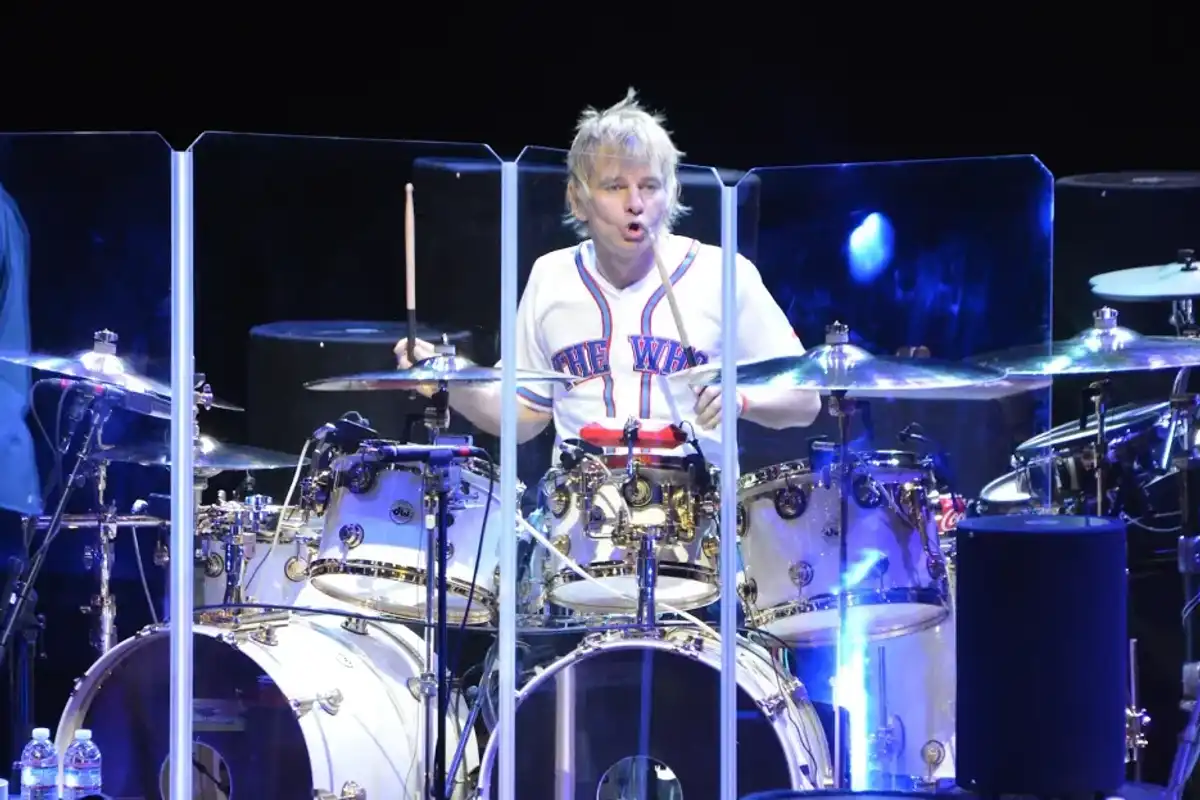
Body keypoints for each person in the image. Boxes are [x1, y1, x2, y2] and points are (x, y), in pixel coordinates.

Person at [395, 89, 821, 466]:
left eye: (650, 186)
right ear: (577, 199)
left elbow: (805, 400)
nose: (635, 203)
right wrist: (450, 378)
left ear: (672, 194)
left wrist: (743, 399)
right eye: (615, 186)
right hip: (580, 530)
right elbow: (523, 416)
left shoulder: (725, 274)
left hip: (696, 534)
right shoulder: (551, 277)